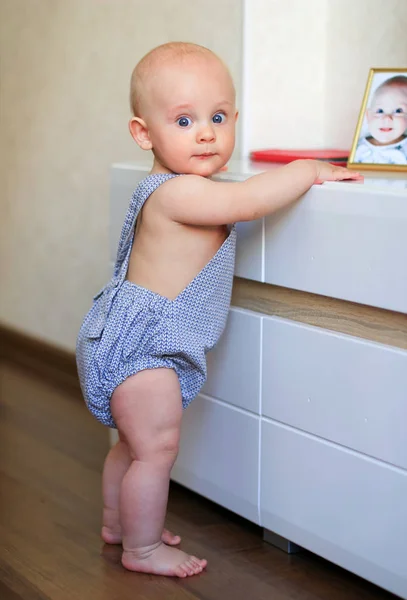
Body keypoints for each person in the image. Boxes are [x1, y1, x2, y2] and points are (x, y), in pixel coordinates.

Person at [76, 42, 362, 578]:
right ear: (144, 134)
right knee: (156, 452)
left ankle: (121, 523)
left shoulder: (162, 189)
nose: (206, 132)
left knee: (135, 446)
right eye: (184, 120)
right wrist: (307, 170)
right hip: (146, 351)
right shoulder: (178, 194)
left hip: (122, 339)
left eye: (218, 117)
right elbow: (247, 202)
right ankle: (141, 550)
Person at [354, 75, 407, 165]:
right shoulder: (357, 146)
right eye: (380, 111)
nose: (386, 118)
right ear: (368, 116)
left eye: (398, 111)